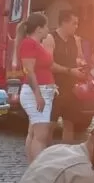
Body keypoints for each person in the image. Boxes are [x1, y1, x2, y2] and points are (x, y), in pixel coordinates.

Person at [15, 12, 84, 163]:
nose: (48, 29)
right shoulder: (29, 44)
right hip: (37, 92)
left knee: (33, 132)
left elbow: (49, 65)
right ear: (39, 28)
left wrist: (68, 70)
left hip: (44, 91)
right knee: (41, 135)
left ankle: (33, 167)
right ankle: (39, 168)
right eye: (46, 26)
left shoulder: (36, 45)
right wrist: (38, 95)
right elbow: (28, 71)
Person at [50, 10, 90, 143]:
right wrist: (70, 71)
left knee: (69, 123)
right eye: (74, 23)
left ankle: (66, 156)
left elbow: (79, 58)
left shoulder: (75, 40)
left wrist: (82, 65)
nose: (76, 26)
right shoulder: (51, 38)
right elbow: (49, 65)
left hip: (72, 88)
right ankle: (45, 156)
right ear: (64, 23)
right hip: (55, 87)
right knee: (50, 124)